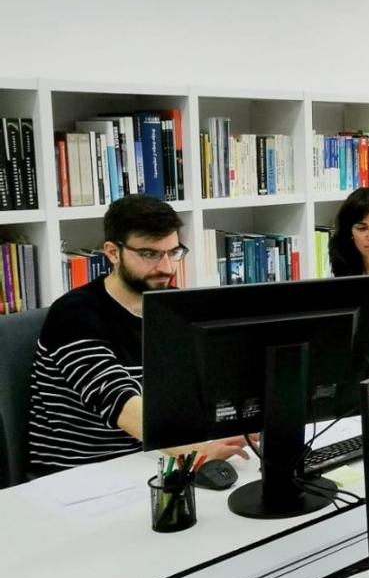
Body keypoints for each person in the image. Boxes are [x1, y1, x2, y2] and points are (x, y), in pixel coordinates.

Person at [27, 195, 249, 479]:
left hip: (154, 461)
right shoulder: (74, 315)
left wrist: (243, 416)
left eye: (173, 252)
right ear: (112, 252)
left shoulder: (174, 306)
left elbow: (212, 382)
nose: (167, 268)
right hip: (81, 476)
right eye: (149, 254)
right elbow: (121, 402)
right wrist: (197, 450)